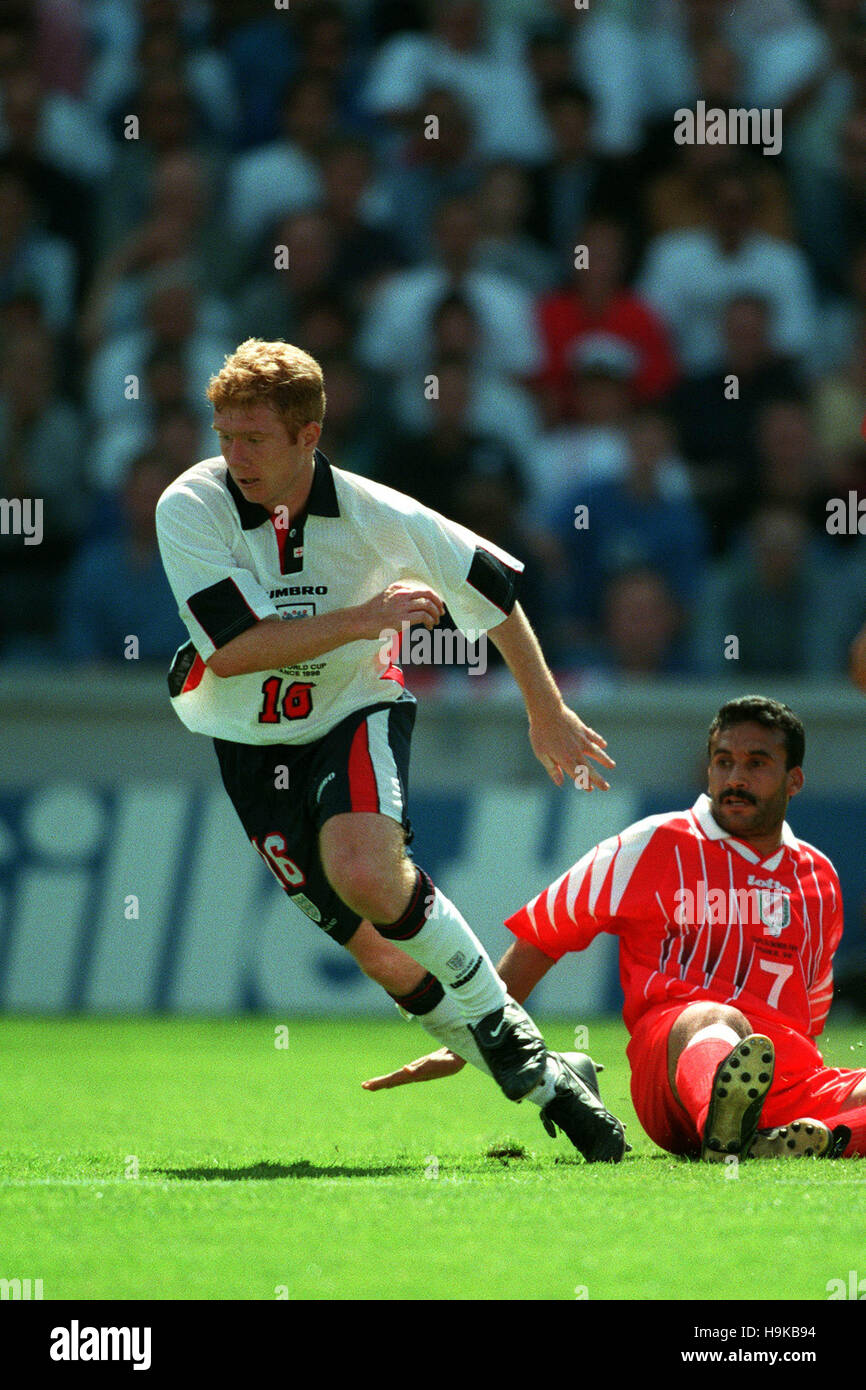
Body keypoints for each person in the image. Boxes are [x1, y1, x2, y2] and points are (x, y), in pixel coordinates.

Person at [154, 338, 625, 1163]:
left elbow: (495, 592)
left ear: (309, 436)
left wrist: (545, 711)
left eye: (254, 438)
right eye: (224, 435)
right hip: (243, 734)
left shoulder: (379, 512)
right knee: (378, 954)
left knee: (369, 875)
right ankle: (552, 1075)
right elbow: (231, 649)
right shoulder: (189, 506)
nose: (234, 456)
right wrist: (368, 617)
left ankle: (514, 1048)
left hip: (353, 706)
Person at [365, 696, 866, 1163]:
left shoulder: (817, 876)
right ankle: (724, 1122)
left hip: (788, 1076)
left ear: (793, 780)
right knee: (716, 1018)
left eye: (756, 763)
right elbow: (543, 935)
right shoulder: (654, 843)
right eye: (723, 761)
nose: (735, 776)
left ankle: (792, 1142)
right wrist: (475, 1038)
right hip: (672, 1066)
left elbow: (810, 1011)